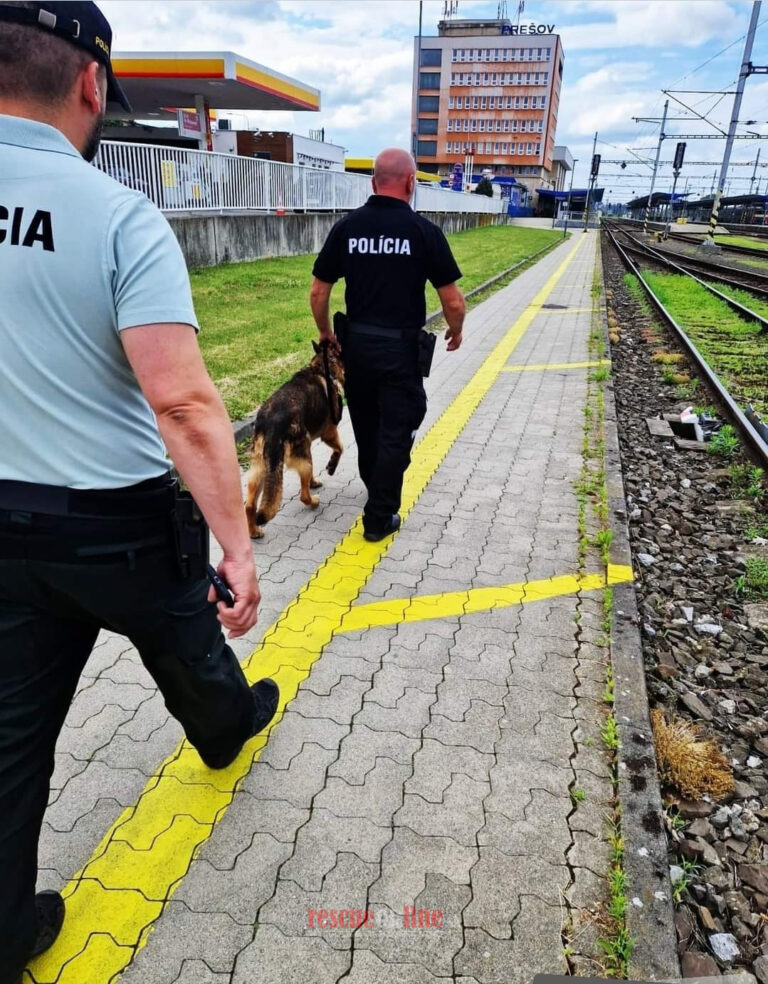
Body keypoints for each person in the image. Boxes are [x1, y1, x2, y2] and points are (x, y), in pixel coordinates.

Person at [0, 3, 278, 979]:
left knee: (8, 743)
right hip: (118, 525)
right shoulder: (117, 214)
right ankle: (227, 728)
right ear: (90, 85)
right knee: (189, 643)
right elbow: (187, 406)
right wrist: (236, 548)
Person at [309, 148, 466, 541]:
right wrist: (456, 329)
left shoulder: (347, 228)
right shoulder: (424, 232)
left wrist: (326, 332)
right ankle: (379, 516)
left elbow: (318, 291)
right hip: (400, 351)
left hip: (356, 348)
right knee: (399, 427)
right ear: (411, 183)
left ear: (373, 181)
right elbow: (453, 300)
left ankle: (376, 487)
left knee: (367, 425)